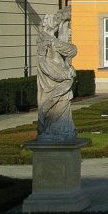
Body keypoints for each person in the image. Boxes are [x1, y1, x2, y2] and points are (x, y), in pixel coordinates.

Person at [37, 8, 78, 141]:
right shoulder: (44, 39)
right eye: (50, 19)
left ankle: (60, 132)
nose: (53, 19)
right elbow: (43, 64)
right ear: (45, 24)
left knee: (62, 108)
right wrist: (63, 75)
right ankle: (51, 133)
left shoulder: (53, 39)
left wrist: (68, 69)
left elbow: (70, 53)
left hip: (60, 79)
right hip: (51, 83)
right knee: (52, 110)